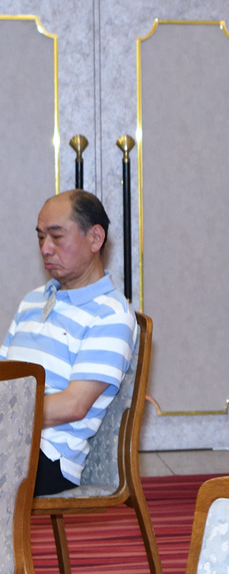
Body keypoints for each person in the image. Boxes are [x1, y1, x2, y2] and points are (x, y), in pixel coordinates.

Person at [0, 190, 136, 496]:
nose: (45, 249)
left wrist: (6, 414)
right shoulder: (32, 300)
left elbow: (74, 405)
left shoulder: (111, 314)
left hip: (47, 457)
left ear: (95, 238)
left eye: (57, 237)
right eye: (40, 237)